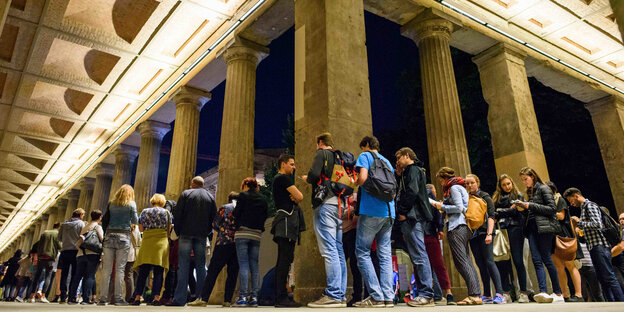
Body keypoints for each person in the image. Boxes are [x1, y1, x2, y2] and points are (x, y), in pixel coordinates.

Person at [303, 133, 347, 308]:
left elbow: (314, 174)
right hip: (339, 205)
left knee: (329, 250)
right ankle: (340, 294)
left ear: (320, 143)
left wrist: (309, 179)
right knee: (338, 249)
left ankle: (333, 295)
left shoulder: (322, 153)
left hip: (325, 204)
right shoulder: (340, 158)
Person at [353, 136, 395, 308]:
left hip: (371, 211)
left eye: (362, 147)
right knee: (384, 256)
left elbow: (362, 177)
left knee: (362, 252)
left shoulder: (365, 156)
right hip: (389, 211)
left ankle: (376, 296)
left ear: (367, 146)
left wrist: (354, 182)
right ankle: (388, 297)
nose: (362, 151)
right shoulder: (387, 161)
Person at [431, 167, 482, 305]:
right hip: (464, 227)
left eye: (440, 180)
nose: (441, 184)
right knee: (466, 261)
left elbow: (459, 208)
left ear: (444, 178)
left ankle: (474, 295)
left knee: (462, 262)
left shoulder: (453, 188)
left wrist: (440, 206)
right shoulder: (459, 187)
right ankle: (476, 294)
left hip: (457, 226)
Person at [513, 167, 562, 303]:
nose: (524, 182)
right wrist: (523, 208)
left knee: (546, 258)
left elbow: (552, 209)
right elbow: (532, 212)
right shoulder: (531, 191)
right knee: (536, 259)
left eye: (526, 179)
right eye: (522, 180)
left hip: (545, 228)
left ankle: (558, 293)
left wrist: (530, 205)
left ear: (532, 177)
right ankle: (543, 291)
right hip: (533, 228)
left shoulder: (543, 188)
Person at [566, 187, 624, 301]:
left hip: (600, 245)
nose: (571, 204)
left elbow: (597, 224)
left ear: (576, 195)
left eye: (570, 200)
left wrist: (580, 222)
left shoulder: (590, 206)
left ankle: (620, 302)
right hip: (593, 246)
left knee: (608, 276)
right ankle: (610, 303)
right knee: (602, 278)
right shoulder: (583, 209)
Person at [394, 147, 435, 307]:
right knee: (418, 255)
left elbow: (411, 191)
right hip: (413, 218)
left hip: (412, 217)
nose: (397, 162)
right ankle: (425, 293)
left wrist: (403, 211)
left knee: (419, 254)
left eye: (399, 158)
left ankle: (426, 294)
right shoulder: (411, 172)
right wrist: (400, 175)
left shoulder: (412, 170)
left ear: (406, 155)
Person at [170, 176, 217, 306]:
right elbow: (214, 218)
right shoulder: (210, 197)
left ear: (193, 184)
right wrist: (207, 232)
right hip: (201, 235)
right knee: (201, 266)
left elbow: (178, 214)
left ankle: (180, 299)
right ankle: (201, 297)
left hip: (186, 233)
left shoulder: (186, 193)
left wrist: (178, 231)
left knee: (183, 266)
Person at [188, 192, 240, 307]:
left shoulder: (225, 208)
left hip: (223, 242)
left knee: (212, 272)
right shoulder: (242, 209)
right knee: (232, 273)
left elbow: (215, 224)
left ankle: (204, 299)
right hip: (237, 244)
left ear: (229, 198)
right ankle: (227, 300)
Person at [465, 174, 505, 304]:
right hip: (473, 235)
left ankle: (500, 293)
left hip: (484, 232)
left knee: (489, 262)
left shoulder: (485, 196)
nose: (470, 185)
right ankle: (487, 294)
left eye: (472, 183)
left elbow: (491, 216)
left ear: (477, 183)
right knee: (480, 264)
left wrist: (489, 233)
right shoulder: (467, 198)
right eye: (467, 183)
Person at [272, 155, 306, 308]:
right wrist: (295, 197)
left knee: (283, 260)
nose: (294, 167)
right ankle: (281, 298)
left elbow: (296, 197)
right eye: (291, 164)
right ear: (283, 164)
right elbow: (299, 196)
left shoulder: (278, 179)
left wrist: (295, 197)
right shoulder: (283, 179)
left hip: (283, 220)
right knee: (284, 260)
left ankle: (280, 296)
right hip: (286, 221)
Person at [99, 184, 138, 305]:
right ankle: (118, 298)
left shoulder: (111, 203)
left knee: (106, 270)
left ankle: (102, 298)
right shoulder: (131, 204)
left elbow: (105, 220)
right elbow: (135, 220)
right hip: (123, 237)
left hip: (110, 236)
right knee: (120, 269)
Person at [492, 174, 529, 303]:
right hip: (502, 230)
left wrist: (502, 211)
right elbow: (494, 213)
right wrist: (508, 210)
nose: (507, 186)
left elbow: (517, 212)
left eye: (508, 183)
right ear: (500, 186)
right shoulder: (496, 198)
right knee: (502, 262)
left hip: (516, 229)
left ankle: (523, 292)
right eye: (504, 184)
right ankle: (506, 293)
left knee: (518, 262)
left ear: (512, 183)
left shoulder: (518, 195)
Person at [232, 177, 268, 307]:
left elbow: (236, 213)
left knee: (243, 265)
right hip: (256, 234)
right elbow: (265, 214)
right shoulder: (263, 199)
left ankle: (242, 297)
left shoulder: (243, 196)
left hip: (243, 232)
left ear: (246, 185)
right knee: (254, 265)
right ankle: (254, 297)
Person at [130, 194, 171, 306]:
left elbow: (141, 228)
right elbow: (169, 229)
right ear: (163, 202)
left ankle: (138, 297)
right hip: (161, 242)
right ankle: (156, 298)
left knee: (143, 271)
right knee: (158, 271)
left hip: (147, 242)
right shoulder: (166, 212)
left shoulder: (144, 211)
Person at [547, 182, 583, 302]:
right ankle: (564, 294)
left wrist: (545, 211)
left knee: (570, 265)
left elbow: (561, 216)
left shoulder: (559, 199)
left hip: (564, 236)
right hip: (552, 236)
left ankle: (578, 294)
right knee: (559, 267)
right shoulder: (548, 202)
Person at [424, 184, 455, 305]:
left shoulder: (426, 192)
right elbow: (436, 212)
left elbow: (436, 211)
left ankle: (445, 293)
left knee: (435, 263)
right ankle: (443, 293)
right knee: (432, 264)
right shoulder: (425, 192)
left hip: (426, 231)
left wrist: (440, 228)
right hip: (424, 231)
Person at [68, 210, 103, 305]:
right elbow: (102, 239)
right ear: (100, 217)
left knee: (77, 276)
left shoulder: (85, 226)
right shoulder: (97, 227)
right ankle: (85, 299)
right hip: (92, 254)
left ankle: (71, 298)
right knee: (90, 276)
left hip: (80, 254)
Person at [57, 208, 85, 303]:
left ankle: (63, 295)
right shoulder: (81, 224)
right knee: (74, 274)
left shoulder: (64, 225)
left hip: (64, 250)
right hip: (75, 251)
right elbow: (83, 237)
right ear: (81, 215)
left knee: (64, 274)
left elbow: (59, 238)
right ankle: (72, 296)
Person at [29, 223, 61, 303]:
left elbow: (38, 245)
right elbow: (60, 246)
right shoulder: (57, 234)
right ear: (59, 228)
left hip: (41, 256)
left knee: (37, 276)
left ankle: (32, 296)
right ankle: (43, 296)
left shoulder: (45, 233)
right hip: (50, 257)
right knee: (48, 276)